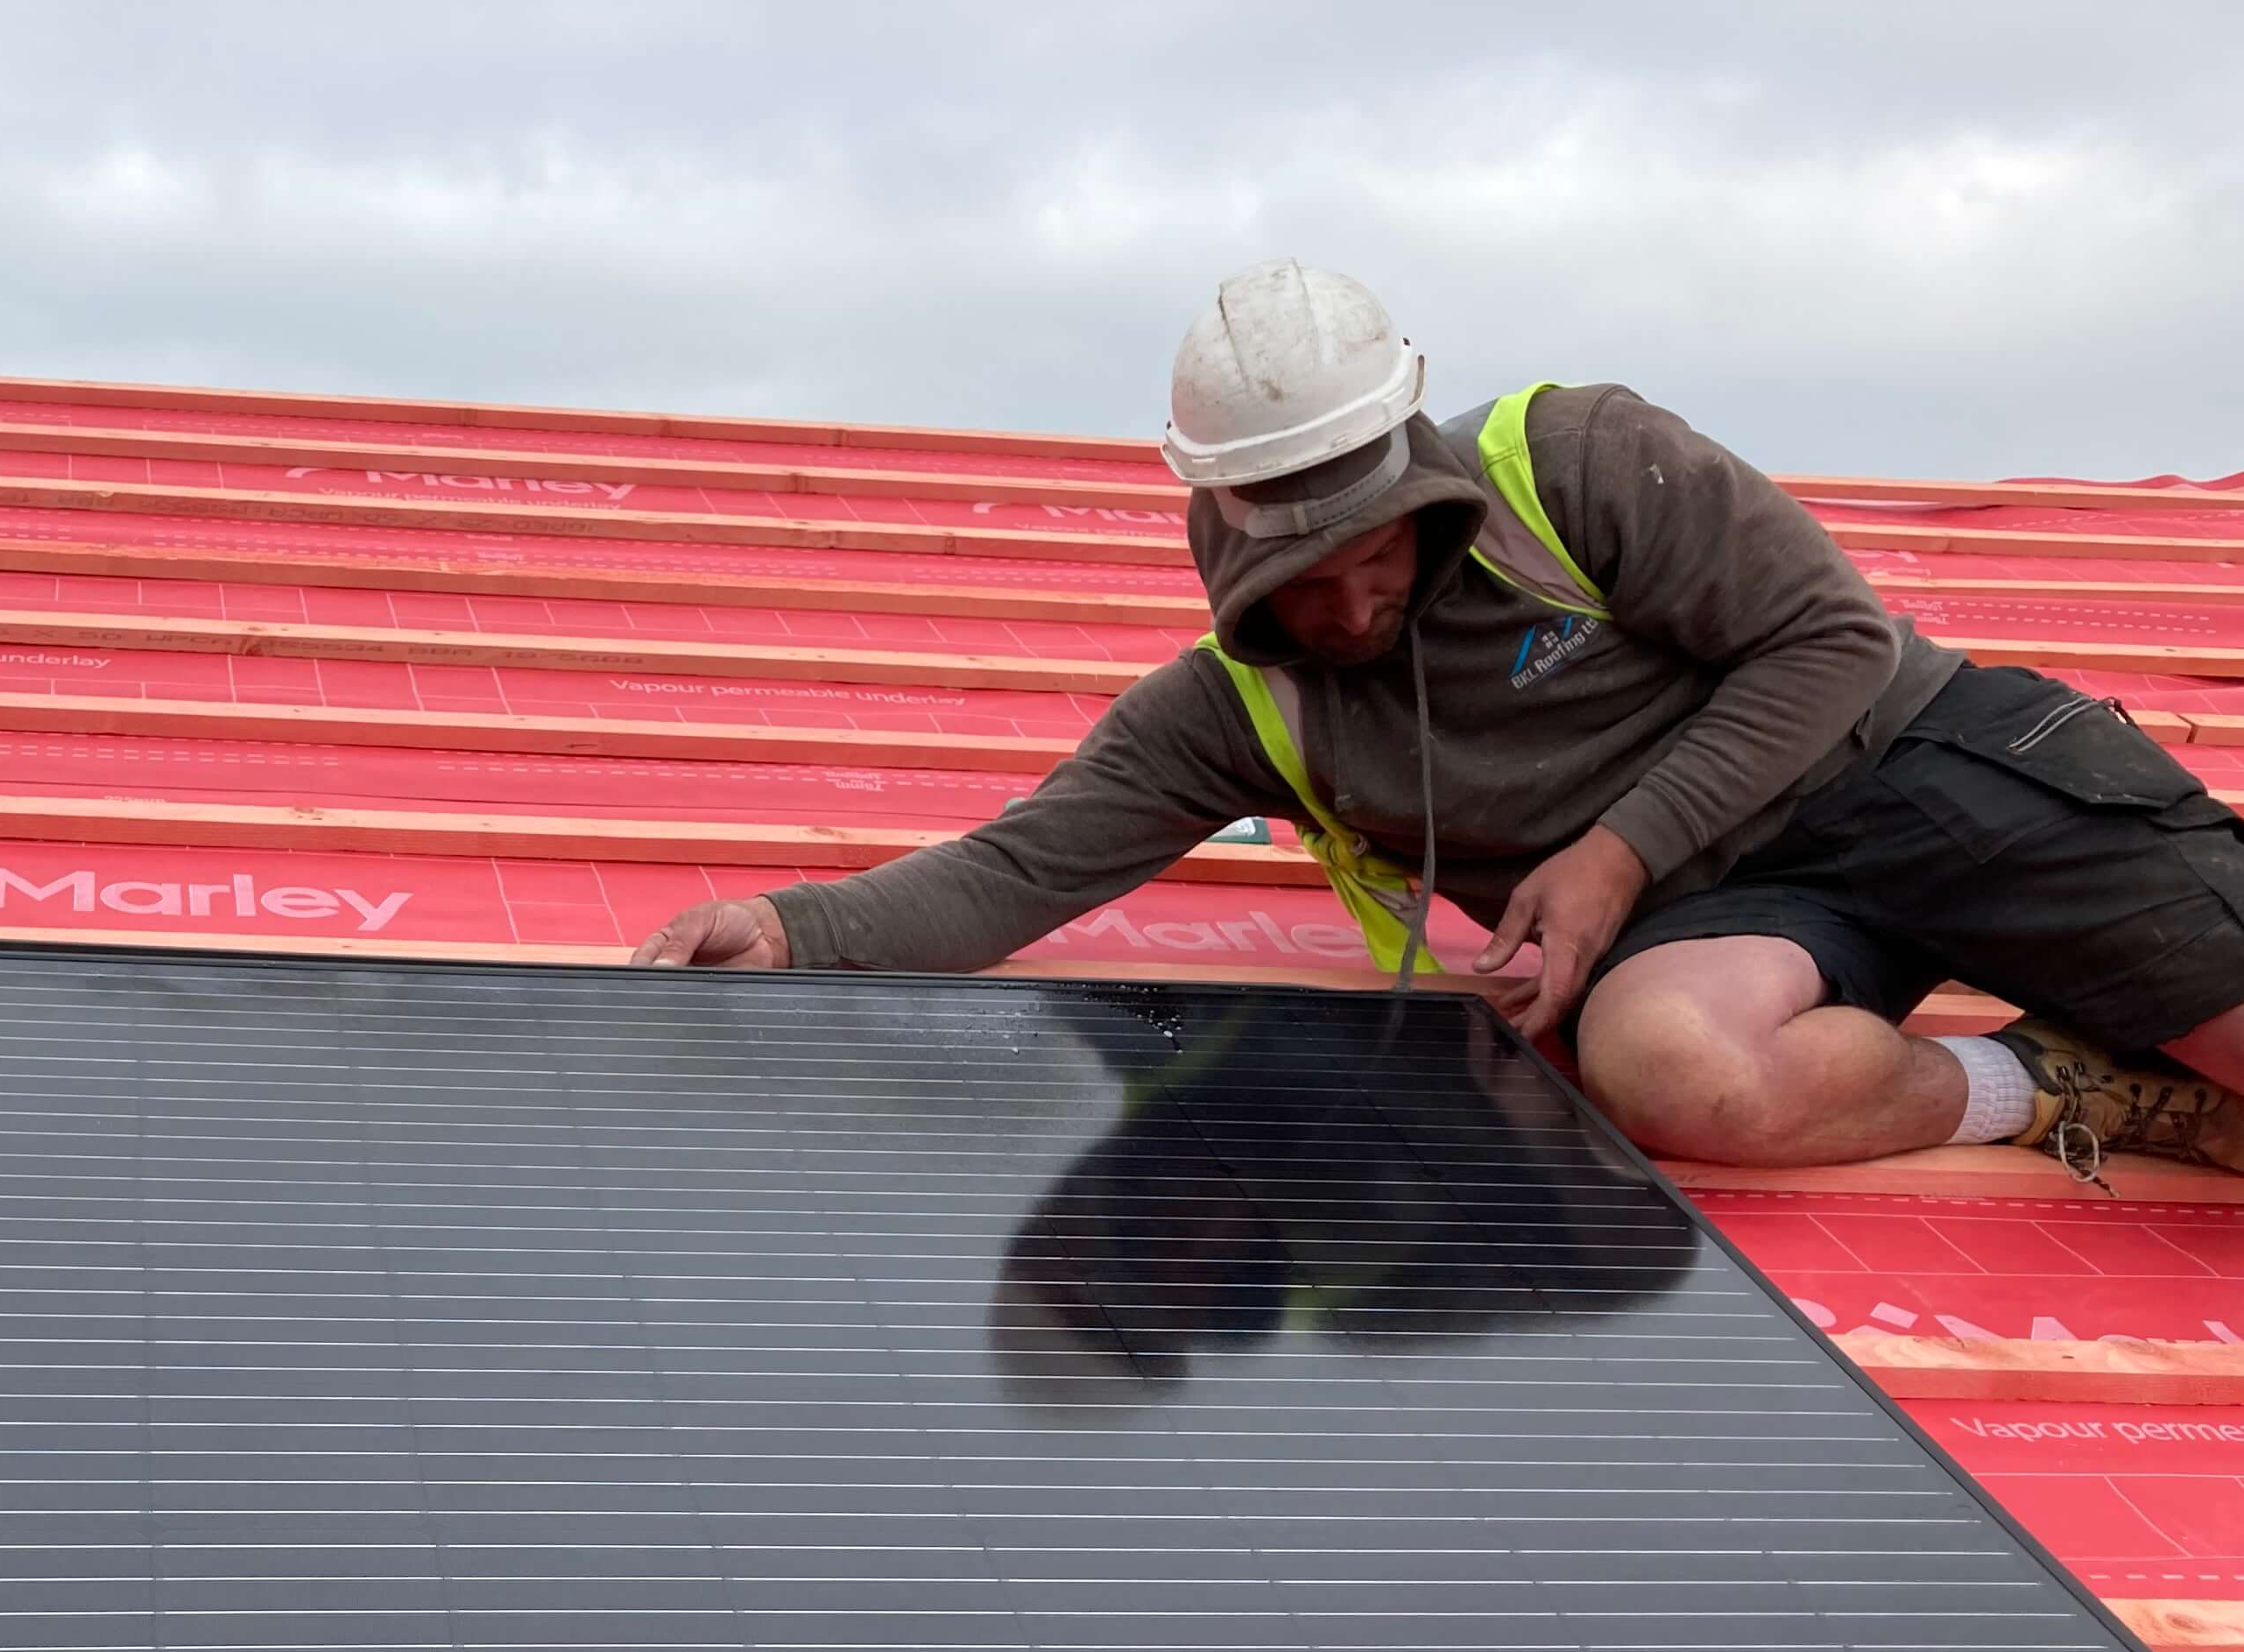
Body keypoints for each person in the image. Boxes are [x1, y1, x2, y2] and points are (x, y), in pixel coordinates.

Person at [635, 262, 2244, 1184]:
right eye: (1290, 578)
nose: (1339, 613)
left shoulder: (1581, 459)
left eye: (1366, 561)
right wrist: (785, 928)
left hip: (1924, 771)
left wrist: (1612, 856)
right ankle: (2054, 1084)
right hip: (1753, 917)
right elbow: (1013, 872)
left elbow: (1824, 642)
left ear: (1418, 492)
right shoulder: (1234, 710)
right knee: (1669, 1067)